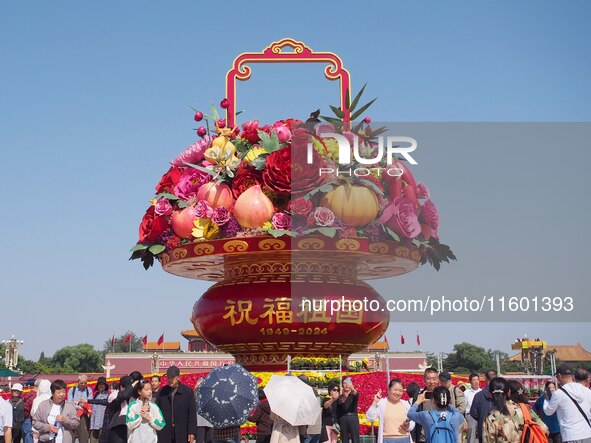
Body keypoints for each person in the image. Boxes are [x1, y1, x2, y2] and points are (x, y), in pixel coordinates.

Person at [482, 377, 548, 442]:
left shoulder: (490, 418)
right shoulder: (524, 409)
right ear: (508, 392)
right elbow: (544, 429)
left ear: (490, 394)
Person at [543, 364, 591, 443]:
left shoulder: (558, 394)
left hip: (570, 435)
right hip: (587, 434)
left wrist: (547, 400)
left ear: (559, 375)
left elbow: (548, 412)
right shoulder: (588, 391)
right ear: (572, 376)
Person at [156, 365, 197, 443]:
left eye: (172, 378)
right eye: (168, 377)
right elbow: (157, 410)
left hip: (182, 430)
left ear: (178, 377)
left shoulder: (187, 391)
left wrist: (192, 431)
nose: (170, 380)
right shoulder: (162, 391)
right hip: (165, 430)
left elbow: (192, 413)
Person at [366, 379, 414, 443]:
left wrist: (408, 426)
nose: (398, 393)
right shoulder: (382, 403)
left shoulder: (406, 404)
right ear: (389, 389)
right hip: (387, 439)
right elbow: (370, 418)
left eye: (400, 391)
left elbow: (413, 421)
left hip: (404, 439)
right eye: (395, 390)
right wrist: (375, 402)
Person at [410, 368, 439, 443]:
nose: (431, 382)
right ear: (424, 380)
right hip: (423, 437)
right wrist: (413, 438)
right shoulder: (419, 396)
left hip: (440, 435)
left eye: (434, 379)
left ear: (438, 380)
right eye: (428, 379)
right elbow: (413, 417)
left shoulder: (443, 395)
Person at [103, 375, 134, 443]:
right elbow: (123, 396)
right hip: (117, 428)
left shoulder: (133, 397)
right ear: (121, 387)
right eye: (129, 387)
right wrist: (131, 387)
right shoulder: (114, 395)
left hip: (130, 427)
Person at [469, 370, 497, 442]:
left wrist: (482, 418)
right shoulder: (501, 395)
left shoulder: (478, 395)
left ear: (485, 379)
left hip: (483, 427)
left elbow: (473, 412)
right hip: (498, 428)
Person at [438, 372, 466, 442]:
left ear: (450, 380)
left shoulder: (456, 390)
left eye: (445, 382)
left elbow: (462, 408)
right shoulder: (440, 391)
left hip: (455, 423)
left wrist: (452, 416)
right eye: (441, 382)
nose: (443, 384)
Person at [68, 374, 93, 443]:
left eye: (85, 383)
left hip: (84, 416)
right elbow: (70, 403)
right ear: (78, 381)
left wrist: (78, 403)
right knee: (71, 436)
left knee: (84, 437)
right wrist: (79, 406)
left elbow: (90, 403)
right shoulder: (72, 390)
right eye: (81, 383)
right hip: (73, 415)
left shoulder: (89, 390)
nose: (83, 384)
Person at [87, 377, 110, 443]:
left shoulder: (108, 396)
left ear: (105, 386)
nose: (101, 386)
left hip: (102, 424)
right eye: (100, 384)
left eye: (103, 384)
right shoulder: (96, 395)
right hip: (94, 423)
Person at [337, 378, 360, 443]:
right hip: (343, 418)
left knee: (355, 438)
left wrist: (352, 388)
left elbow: (356, 394)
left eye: (347, 383)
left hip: (353, 417)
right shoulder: (341, 396)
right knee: (344, 439)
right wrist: (345, 397)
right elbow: (340, 402)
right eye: (344, 383)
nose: (346, 385)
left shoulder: (353, 395)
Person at [194, 378, 213, 443]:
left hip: (209, 421)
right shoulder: (196, 394)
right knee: (200, 440)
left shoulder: (210, 394)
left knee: (209, 440)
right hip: (200, 422)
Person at [463, 374, 481, 443]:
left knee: (482, 434)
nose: (476, 382)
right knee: (472, 435)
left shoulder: (481, 392)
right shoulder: (466, 393)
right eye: (474, 380)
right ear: (470, 381)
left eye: (477, 380)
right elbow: (464, 406)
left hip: (480, 415)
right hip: (470, 416)